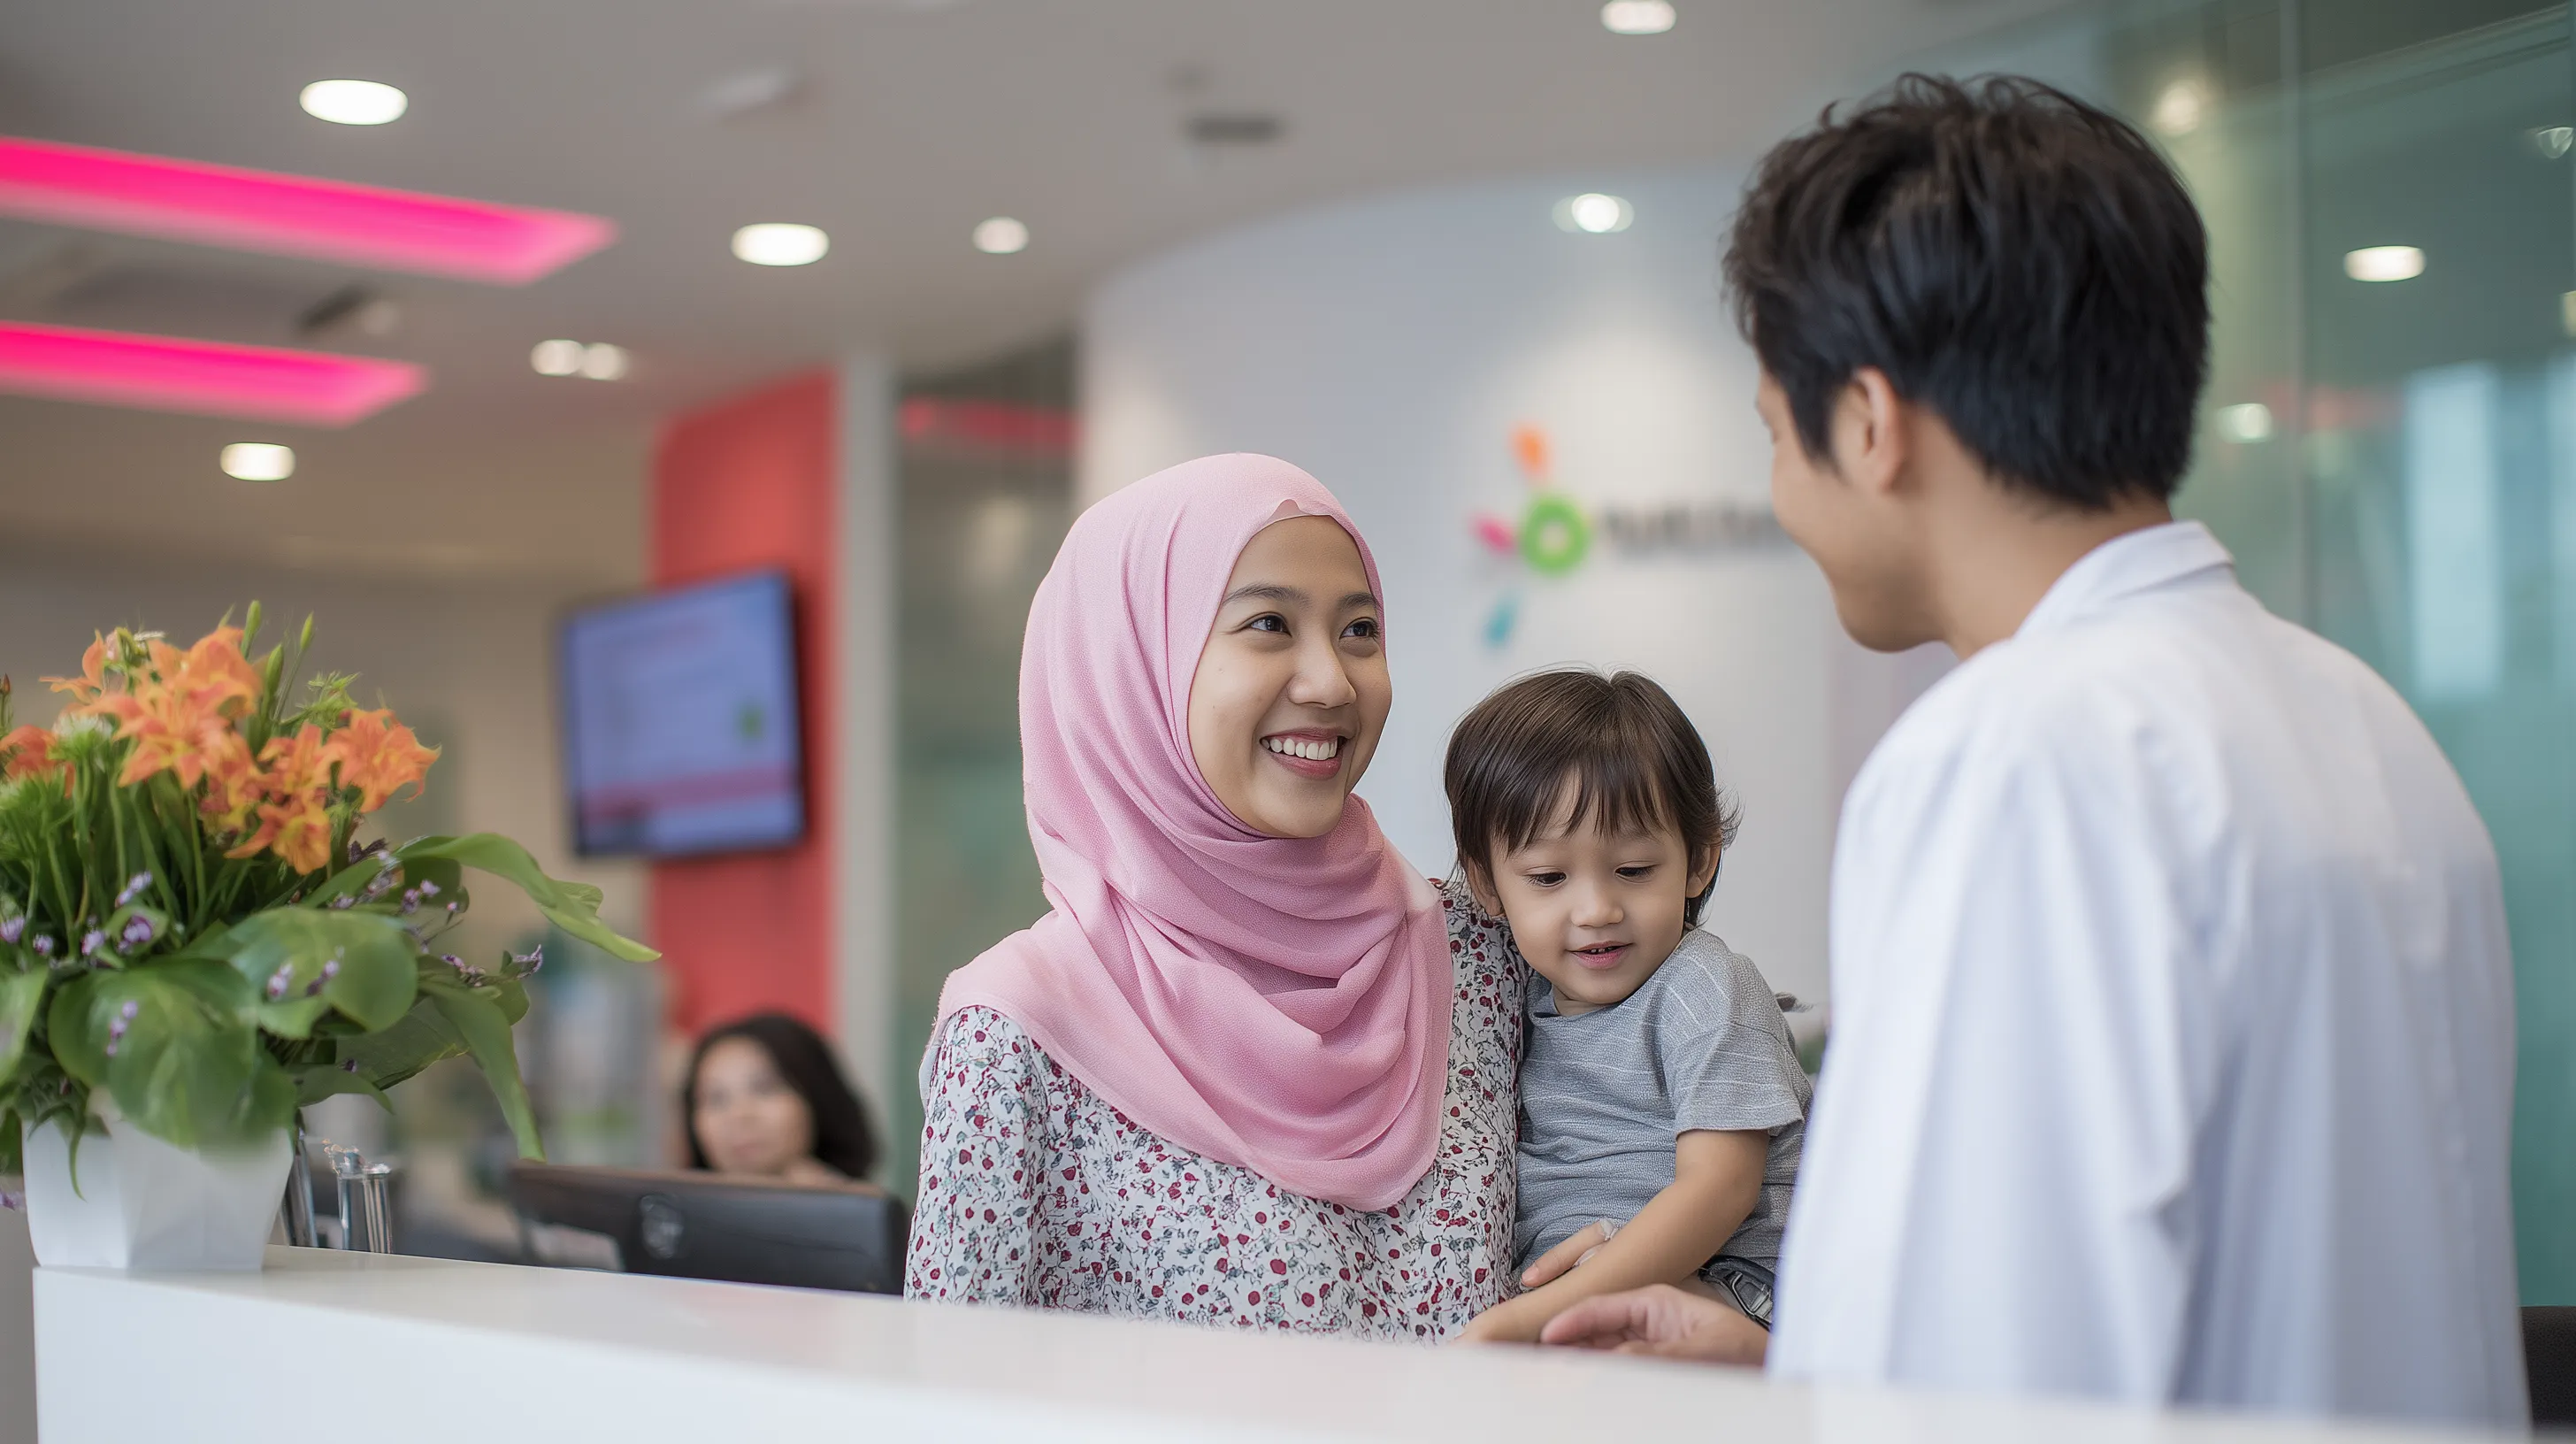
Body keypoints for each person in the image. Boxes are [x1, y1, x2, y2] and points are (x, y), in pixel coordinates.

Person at [1542, 74, 2526, 1427]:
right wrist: (1779, 1350)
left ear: (1871, 426)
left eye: (1778, 435)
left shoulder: (2015, 754)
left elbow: (1974, 1367)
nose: (1786, 495)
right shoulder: (2362, 720)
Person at [901, 453, 1523, 1338]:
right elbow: (944, 1398)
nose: (1331, 682)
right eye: (1269, 623)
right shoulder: (1019, 1032)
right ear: (1130, 666)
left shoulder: (1473, 951)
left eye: (1359, 630)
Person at [1446, 670, 1807, 1344]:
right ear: (1487, 885)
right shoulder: (1508, 993)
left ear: (1698, 862)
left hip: (1738, 1285)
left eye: (1634, 871)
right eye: (1550, 878)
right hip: (1582, 1279)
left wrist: (1530, 1317)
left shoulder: (1703, 988)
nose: (1597, 910)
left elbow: (1721, 1186)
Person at [684, 1012, 880, 1186]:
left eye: (764, 1088)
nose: (739, 1115)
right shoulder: (666, 1221)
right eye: (716, 1098)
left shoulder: (872, 1218)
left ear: (815, 1097)